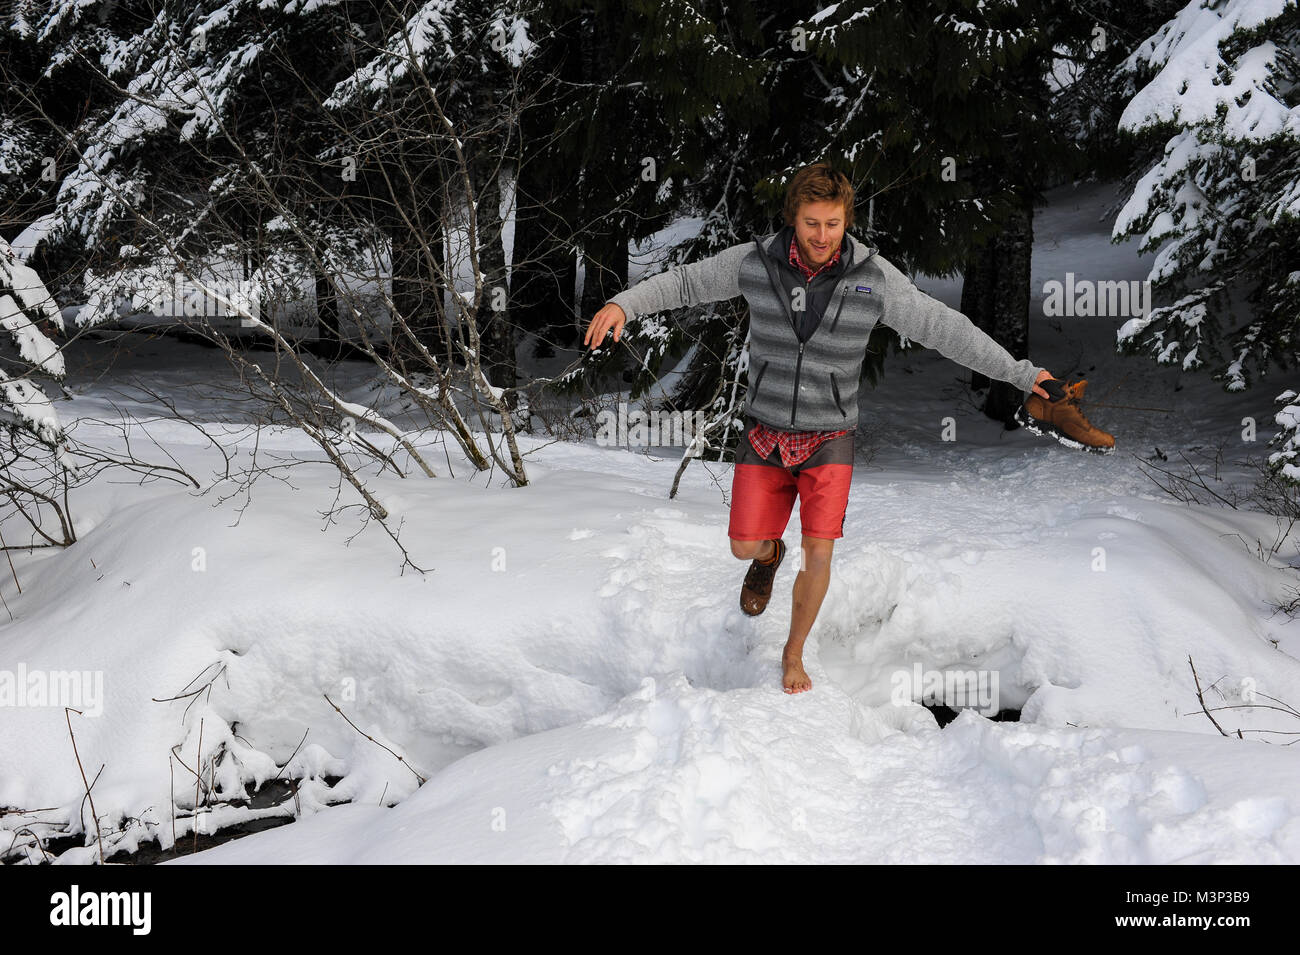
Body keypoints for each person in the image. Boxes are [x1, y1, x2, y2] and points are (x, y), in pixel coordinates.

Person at [583, 161, 1111, 694]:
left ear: (846, 220)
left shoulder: (873, 279)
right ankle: (768, 557)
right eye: (812, 223)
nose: (822, 236)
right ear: (794, 218)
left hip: (829, 437)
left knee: (821, 551)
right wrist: (623, 303)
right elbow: (687, 281)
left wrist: (1024, 375)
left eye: (833, 224)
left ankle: (793, 655)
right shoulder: (755, 264)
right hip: (765, 432)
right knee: (744, 545)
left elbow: (947, 329)